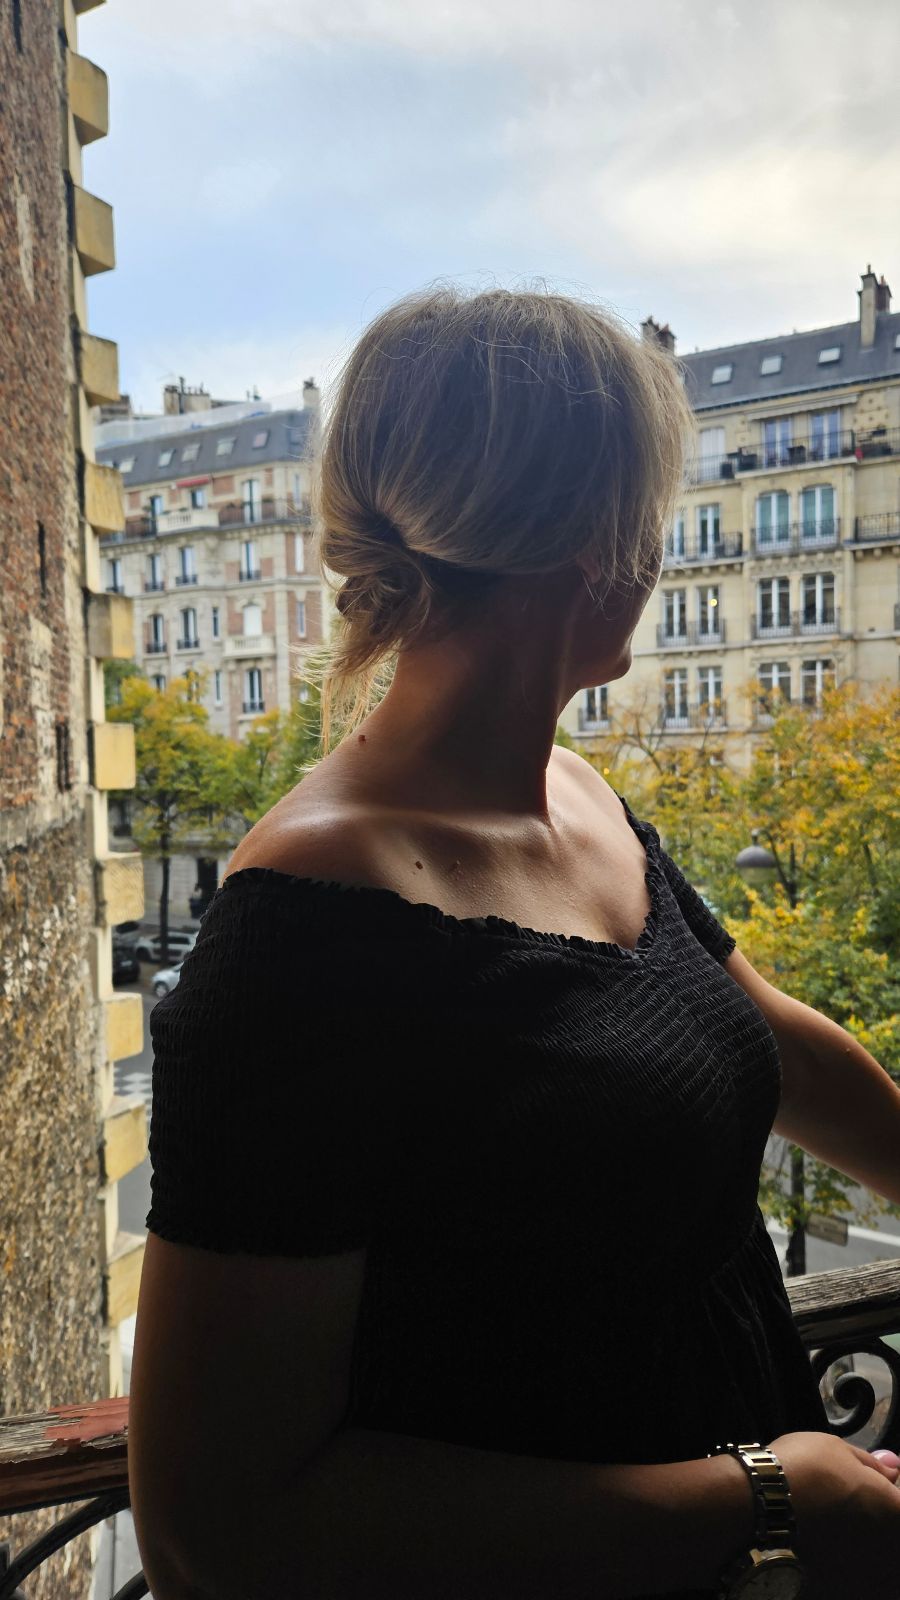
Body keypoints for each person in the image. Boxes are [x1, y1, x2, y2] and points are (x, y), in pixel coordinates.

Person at [129, 288, 900, 1600]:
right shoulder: (306, 931)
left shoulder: (579, 797)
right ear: (595, 546)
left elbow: (767, 1039)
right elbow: (219, 1533)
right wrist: (775, 1492)